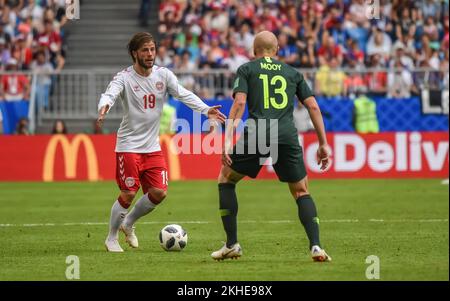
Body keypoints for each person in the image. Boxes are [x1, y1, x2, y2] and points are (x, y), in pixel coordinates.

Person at [97, 32, 225, 252]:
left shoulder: (163, 75)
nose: (150, 54)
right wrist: (105, 105)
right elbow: (110, 93)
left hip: (152, 147)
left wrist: (205, 110)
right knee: (128, 193)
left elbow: (183, 94)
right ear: (134, 53)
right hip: (128, 146)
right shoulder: (124, 77)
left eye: (153, 49)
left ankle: (128, 224)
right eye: (145, 50)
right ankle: (111, 238)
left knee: (159, 192)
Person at [212, 31, 331, 262]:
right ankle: (316, 246)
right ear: (276, 50)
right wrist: (323, 143)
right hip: (286, 134)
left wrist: (227, 141)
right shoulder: (292, 73)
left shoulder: (247, 69)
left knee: (226, 178)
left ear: (253, 51)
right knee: (301, 191)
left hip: (257, 133)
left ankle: (232, 244)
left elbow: (240, 102)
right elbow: (313, 107)